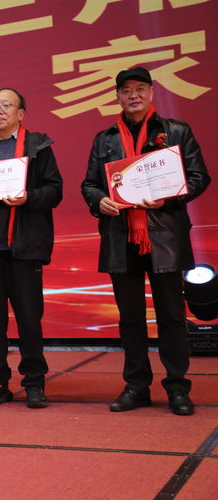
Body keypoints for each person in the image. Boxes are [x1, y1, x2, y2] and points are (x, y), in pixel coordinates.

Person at [81, 66, 211, 416]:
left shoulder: (176, 131)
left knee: (171, 316)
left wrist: (167, 198)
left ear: (152, 93)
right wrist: (99, 200)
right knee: (130, 319)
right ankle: (136, 386)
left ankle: (177, 387)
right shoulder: (104, 139)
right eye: (126, 90)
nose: (133, 95)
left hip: (164, 236)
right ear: (118, 97)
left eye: (140, 88)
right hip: (120, 236)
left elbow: (199, 176)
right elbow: (89, 184)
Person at [0, 89, 63, 408]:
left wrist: (28, 197)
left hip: (24, 246)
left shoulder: (38, 146)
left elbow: (54, 190)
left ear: (21, 113)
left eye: (6, 105)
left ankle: (34, 383)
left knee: (29, 318)